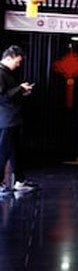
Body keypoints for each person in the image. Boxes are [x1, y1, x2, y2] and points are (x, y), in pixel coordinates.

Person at [0, 45, 35, 193]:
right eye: (17, 62)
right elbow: (2, 97)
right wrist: (20, 89)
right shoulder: (1, 74)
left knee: (15, 151)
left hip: (12, 119)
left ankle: (19, 181)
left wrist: (22, 92)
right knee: (3, 152)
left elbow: (9, 95)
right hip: (6, 119)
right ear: (8, 58)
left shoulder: (7, 73)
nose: (18, 65)